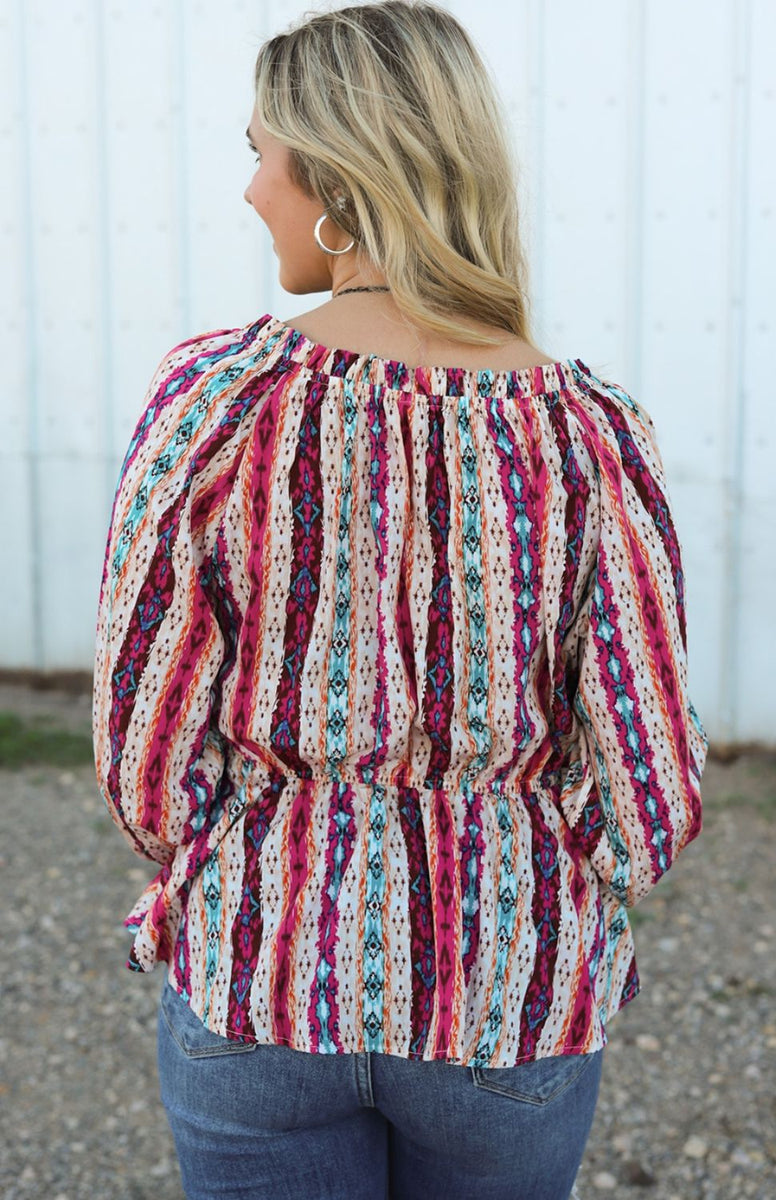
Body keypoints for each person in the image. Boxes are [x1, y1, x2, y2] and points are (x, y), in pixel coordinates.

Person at [92, 3, 709, 1198]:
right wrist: (532, 875)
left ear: (335, 177)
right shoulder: (590, 431)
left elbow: (144, 746)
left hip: (260, 978)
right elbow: (650, 786)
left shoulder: (215, 402)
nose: (249, 189)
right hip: (508, 996)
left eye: (261, 153)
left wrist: (231, 857)